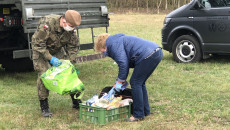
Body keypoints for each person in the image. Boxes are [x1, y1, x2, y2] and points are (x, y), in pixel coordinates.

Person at [94, 33, 163, 122]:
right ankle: (145, 111)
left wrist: (119, 82)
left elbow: (123, 64)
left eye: (102, 51)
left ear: (103, 46)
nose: (104, 53)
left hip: (147, 54)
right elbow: (125, 61)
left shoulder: (112, 45)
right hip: (156, 51)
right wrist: (120, 81)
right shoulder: (116, 40)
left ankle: (138, 115)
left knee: (135, 82)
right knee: (140, 83)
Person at [31, 10, 82, 117]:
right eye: (70, 25)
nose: (71, 28)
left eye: (73, 26)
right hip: (41, 51)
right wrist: (51, 59)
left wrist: (70, 61)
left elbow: (73, 46)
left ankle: (76, 101)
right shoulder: (47, 24)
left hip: (56, 50)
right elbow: (37, 45)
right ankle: (44, 106)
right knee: (44, 75)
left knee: (69, 71)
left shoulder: (70, 29)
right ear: (64, 20)